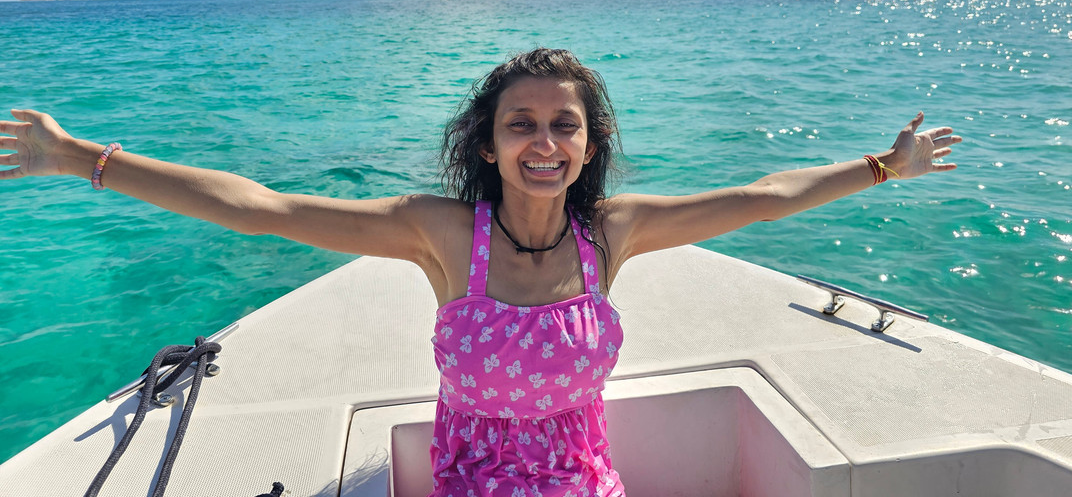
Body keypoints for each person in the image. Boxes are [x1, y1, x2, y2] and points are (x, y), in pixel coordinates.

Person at [0, 47, 960, 497]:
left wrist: (884, 167)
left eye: (564, 124)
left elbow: (765, 195)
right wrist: (82, 157)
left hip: (584, 484)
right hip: (472, 485)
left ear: (588, 145)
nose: (544, 141)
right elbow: (261, 208)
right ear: (490, 145)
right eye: (521, 124)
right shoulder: (440, 234)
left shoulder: (612, 235)